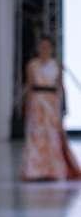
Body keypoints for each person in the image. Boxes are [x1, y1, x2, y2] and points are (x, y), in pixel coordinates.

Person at [20, 35, 81, 181]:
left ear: (52, 49)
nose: (44, 49)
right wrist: (26, 105)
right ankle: (35, 170)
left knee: (52, 136)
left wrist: (64, 106)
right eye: (42, 46)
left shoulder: (56, 66)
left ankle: (52, 169)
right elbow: (29, 86)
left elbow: (60, 87)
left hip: (51, 104)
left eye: (47, 47)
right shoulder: (32, 65)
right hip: (37, 103)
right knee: (36, 135)